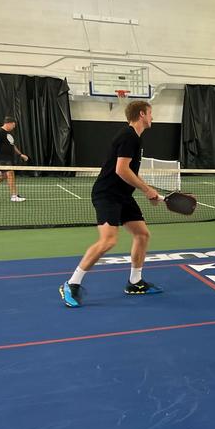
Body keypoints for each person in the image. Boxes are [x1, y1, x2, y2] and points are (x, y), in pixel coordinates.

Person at [59, 101, 162, 308]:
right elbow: (121, 170)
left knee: (142, 234)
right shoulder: (128, 136)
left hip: (123, 195)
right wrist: (146, 189)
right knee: (108, 241)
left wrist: (148, 191)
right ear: (142, 114)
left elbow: (129, 171)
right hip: (107, 194)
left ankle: (134, 282)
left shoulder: (135, 138)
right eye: (151, 113)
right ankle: (71, 284)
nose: (153, 117)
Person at [0, 116, 29, 202]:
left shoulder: (10, 133)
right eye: (13, 125)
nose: (13, 127)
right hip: (2, 157)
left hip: (8, 158)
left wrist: (20, 154)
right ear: (8, 123)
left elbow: (12, 145)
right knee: (10, 172)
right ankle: (14, 196)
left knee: (2, 176)